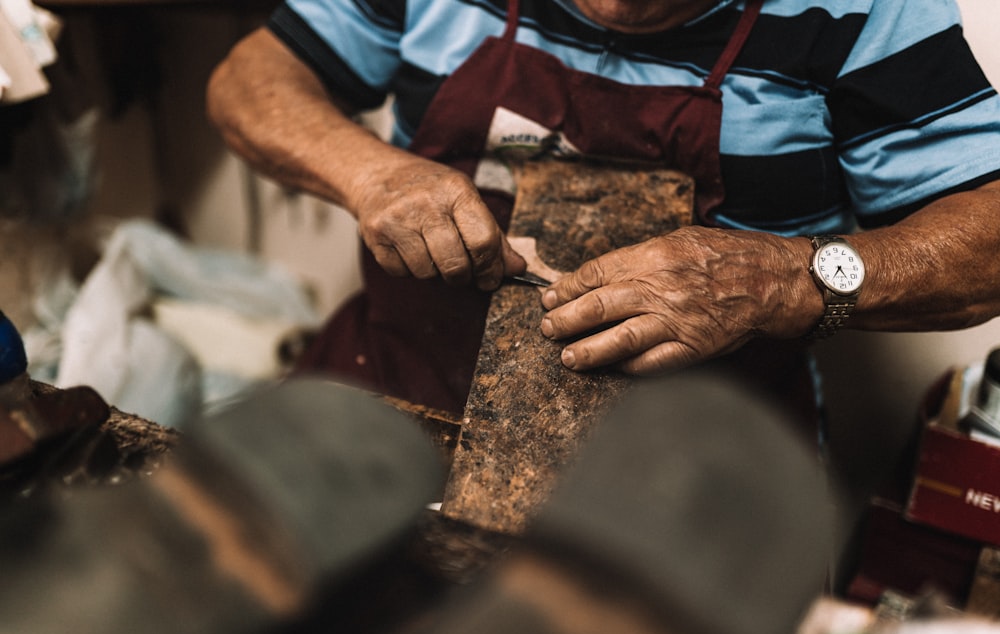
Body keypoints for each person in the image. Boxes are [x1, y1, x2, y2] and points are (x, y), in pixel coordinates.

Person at [205, 0, 1000, 429]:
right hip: (395, 390)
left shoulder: (869, 8)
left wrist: (782, 279)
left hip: (688, 461)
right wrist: (369, 173)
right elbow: (252, 79)